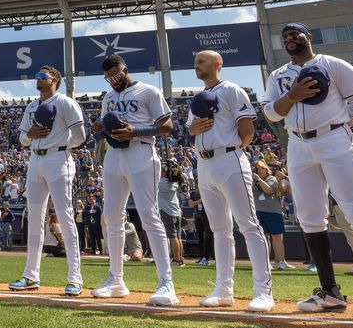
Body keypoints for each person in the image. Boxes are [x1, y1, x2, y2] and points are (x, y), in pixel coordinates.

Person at [263, 22, 353, 322]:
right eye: (285, 36)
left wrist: (339, 124)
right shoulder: (278, 75)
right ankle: (329, 292)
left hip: (334, 138)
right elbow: (271, 113)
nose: (290, 39)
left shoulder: (334, 65)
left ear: (309, 37)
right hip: (298, 144)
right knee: (310, 217)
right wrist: (292, 95)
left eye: (295, 34)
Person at [187, 50, 274, 312]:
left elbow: (247, 130)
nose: (196, 65)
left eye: (201, 61)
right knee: (219, 229)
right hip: (204, 163)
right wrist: (192, 130)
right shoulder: (197, 97)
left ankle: (263, 292)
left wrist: (234, 151)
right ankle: (224, 290)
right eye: (195, 62)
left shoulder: (232, 89)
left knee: (248, 225)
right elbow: (192, 131)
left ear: (217, 64)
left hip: (229, 158)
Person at [89, 54, 178, 307]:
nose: (113, 80)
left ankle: (166, 282)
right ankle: (116, 280)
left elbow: (167, 126)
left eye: (116, 75)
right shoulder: (108, 97)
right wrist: (98, 129)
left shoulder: (148, 91)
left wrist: (136, 131)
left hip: (141, 151)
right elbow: (105, 128)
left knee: (149, 214)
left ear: (125, 70)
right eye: (108, 78)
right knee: (111, 216)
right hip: (114, 155)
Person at [251, 160, 294, 271]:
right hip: (259, 211)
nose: (257, 171)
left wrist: (259, 179)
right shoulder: (253, 180)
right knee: (264, 238)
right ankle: (266, 262)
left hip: (273, 212)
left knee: (276, 237)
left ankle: (281, 261)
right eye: (255, 169)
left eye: (259, 168)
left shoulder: (271, 179)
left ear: (265, 169)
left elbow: (269, 190)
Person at [157, 160, 185, 267]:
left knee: (172, 236)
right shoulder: (174, 183)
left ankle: (177, 260)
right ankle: (180, 259)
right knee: (178, 237)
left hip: (167, 211)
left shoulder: (161, 184)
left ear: (164, 173)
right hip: (176, 211)